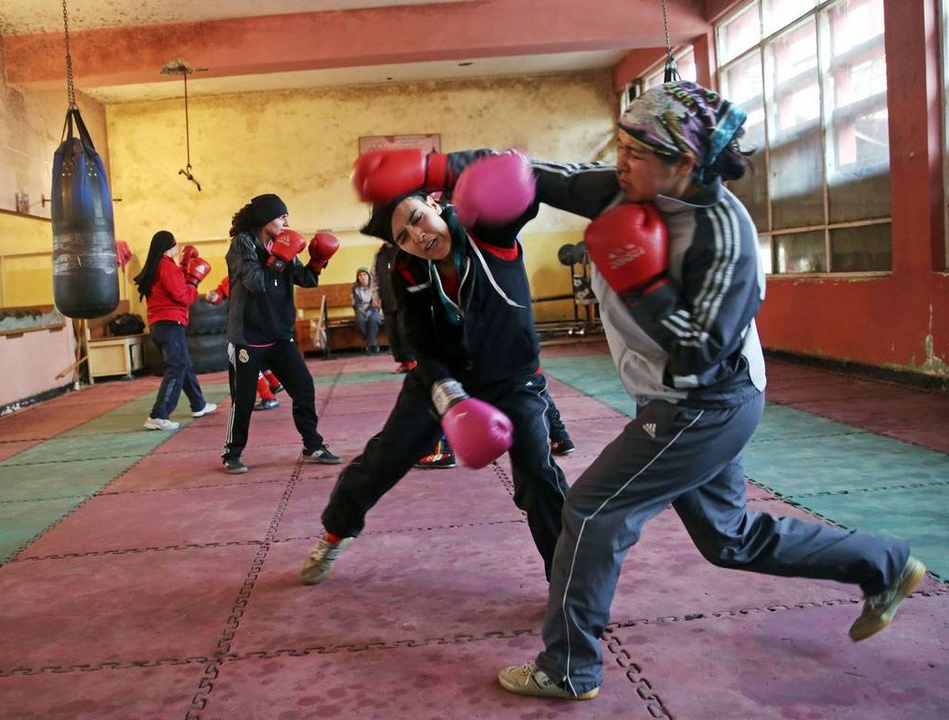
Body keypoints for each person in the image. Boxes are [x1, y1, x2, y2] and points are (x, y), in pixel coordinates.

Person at [490, 81, 925, 700]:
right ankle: (884, 564)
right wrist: (442, 170)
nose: (620, 162)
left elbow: (701, 352)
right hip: (678, 399)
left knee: (592, 511)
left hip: (704, 402)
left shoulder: (725, 236)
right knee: (728, 537)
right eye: (619, 146)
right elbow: (544, 178)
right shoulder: (627, 188)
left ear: (685, 163)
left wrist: (643, 282)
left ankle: (568, 668)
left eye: (636, 153)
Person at [299, 150, 570, 586]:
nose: (418, 236)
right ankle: (334, 533)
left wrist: (439, 167)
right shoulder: (406, 270)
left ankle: (568, 578)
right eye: (404, 236)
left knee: (538, 474)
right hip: (444, 376)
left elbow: (521, 179)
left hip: (513, 377)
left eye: (417, 219)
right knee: (383, 460)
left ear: (434, 202)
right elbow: (419, 341)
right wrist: (448, 391)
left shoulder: (487, 230)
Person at [222, 193, 343, 474]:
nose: (286, 222)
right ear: (266, 219)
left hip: (279, 334)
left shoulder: (285, 242)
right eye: (281, 216)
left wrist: (317, 260)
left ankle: (312, 445)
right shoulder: (243, 243)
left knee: (304, 387)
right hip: (248, 336)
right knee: (244, 399)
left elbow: (306, 280)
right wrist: (279, 257)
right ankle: (232, 453)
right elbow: (255, 283)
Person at [134, 231, 217, 430]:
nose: (178, 248)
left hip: (160, 325)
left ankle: (198, 404)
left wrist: (184, 269)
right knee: (176, 367)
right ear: (170, 246)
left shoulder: (159, 266)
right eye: (175, 244)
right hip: (170, 324)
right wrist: (194, 282)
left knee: (184, 364)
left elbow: (172, 287)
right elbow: (183, 297)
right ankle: (158, 415)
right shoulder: (166, 266)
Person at [207, 275, 283, 411]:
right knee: (257, 359)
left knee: (248, 361)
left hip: (252, 324)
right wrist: (213, 296)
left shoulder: (254, 274)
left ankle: (268, 397)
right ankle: (275, 383)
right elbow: (220, 293)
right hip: (245, 324)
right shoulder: (232, 275)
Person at [372, 242, 417, 373]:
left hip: (404, 300)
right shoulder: (379, 255)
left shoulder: (404, 250)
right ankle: (403, 362)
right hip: (387, 300)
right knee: (393, 334)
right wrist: (375, 296)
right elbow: (374, 277)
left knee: (405, 331)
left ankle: (412, 361)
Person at [351, 267, 383, 355]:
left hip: (374, 309)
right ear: (358, 278)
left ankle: (370, 346)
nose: (362, 277)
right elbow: (356, 303)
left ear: (368, 276)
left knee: (374, 320)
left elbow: (375, 301)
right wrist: (362, 311)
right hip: (361, 310)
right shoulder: (355, 288)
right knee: (360, 321)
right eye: (360, 275)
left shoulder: (374, 286)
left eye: (364, 275)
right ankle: (373, 342)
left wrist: (368, 312)